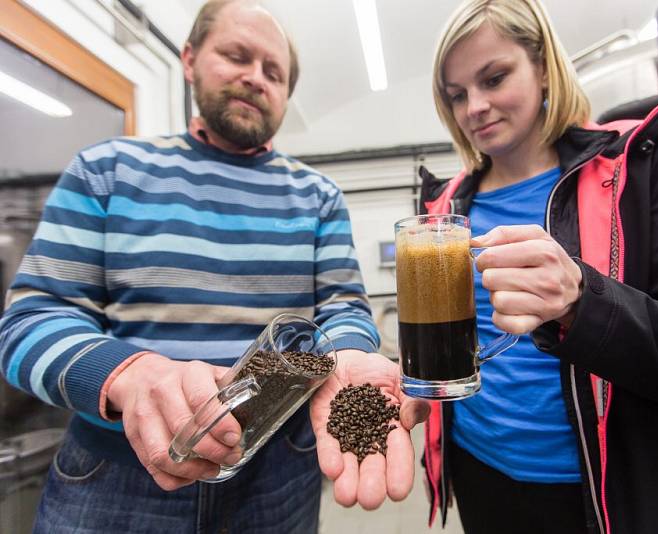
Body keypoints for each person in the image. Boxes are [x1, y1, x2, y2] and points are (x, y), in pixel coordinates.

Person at [0, 1, 426, 532]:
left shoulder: (317, 195)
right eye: (236, 56)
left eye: (274, 72)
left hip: (276, 474)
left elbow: (342, 307)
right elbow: (30, 322)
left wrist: (349, 354)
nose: (255, 78)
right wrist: (129, 378)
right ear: (190, 58)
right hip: (115, 475)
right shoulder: (107, 170)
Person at [418, 1, 658, 533]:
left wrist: (584, 301)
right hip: (482, 483)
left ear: (542, 66)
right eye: (457, 95)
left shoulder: (644, 164)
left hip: (616, 496)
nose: (476, 107)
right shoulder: (446, 210)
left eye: (494, 77)